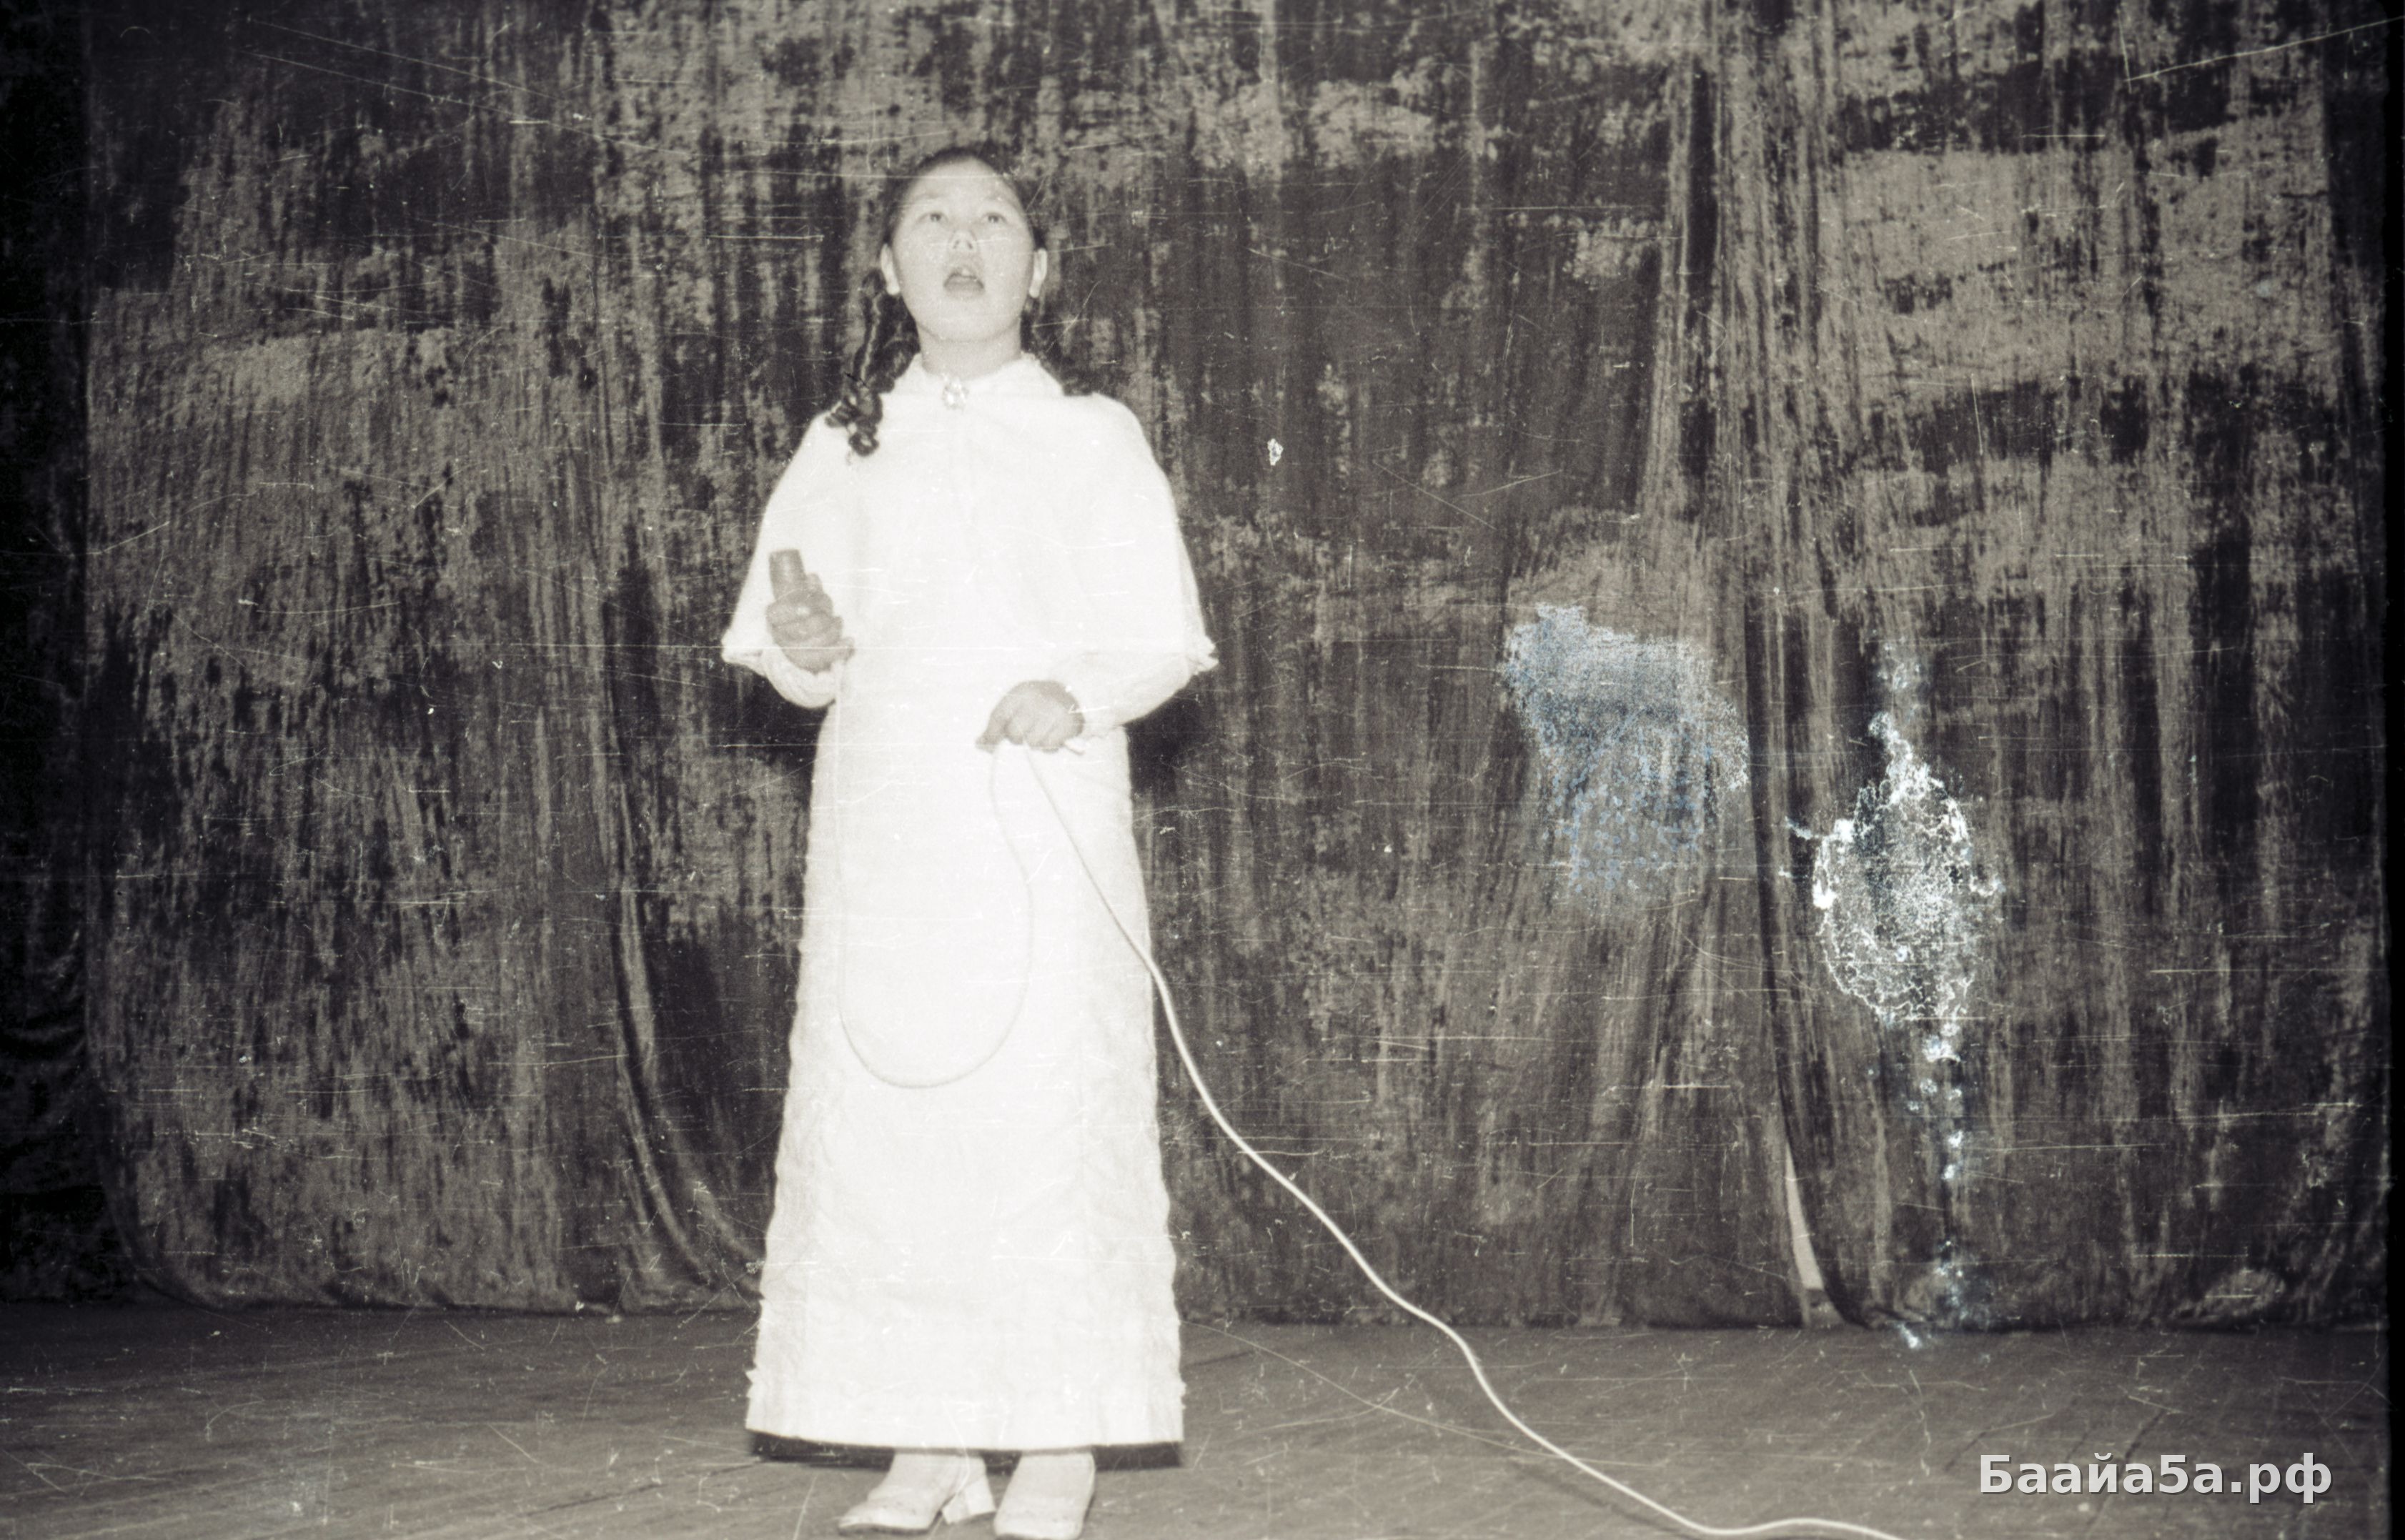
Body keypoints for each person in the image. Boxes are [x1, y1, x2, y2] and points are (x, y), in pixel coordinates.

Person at [719, 146, 1214, 1540]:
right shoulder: (840, 443)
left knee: (1038, 1119)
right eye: (930, 218)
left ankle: (1057, 1444)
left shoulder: (1091, 435)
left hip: (1037, 815)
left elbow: (1161, 635)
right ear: (889, 270)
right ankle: (929, 1442)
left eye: (993, 218)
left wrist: (1077, 692)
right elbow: (797, 650)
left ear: (1037, 270)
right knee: (899, 1124)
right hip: (888, 829)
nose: (962, 238)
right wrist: (806, 645)